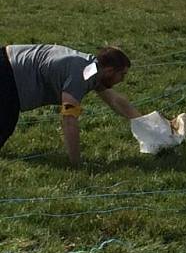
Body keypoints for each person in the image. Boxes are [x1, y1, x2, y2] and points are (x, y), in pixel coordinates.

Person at [0, 44, 142, 166]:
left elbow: (115, 100)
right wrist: (76, 163)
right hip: (7, 71)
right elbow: (69, 119)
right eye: (122, 75)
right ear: (110, 71)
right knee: (5, 124)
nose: (122, 80)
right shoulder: (80, 76)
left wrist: (145, 123)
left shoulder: (92, 68)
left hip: (9, 60)